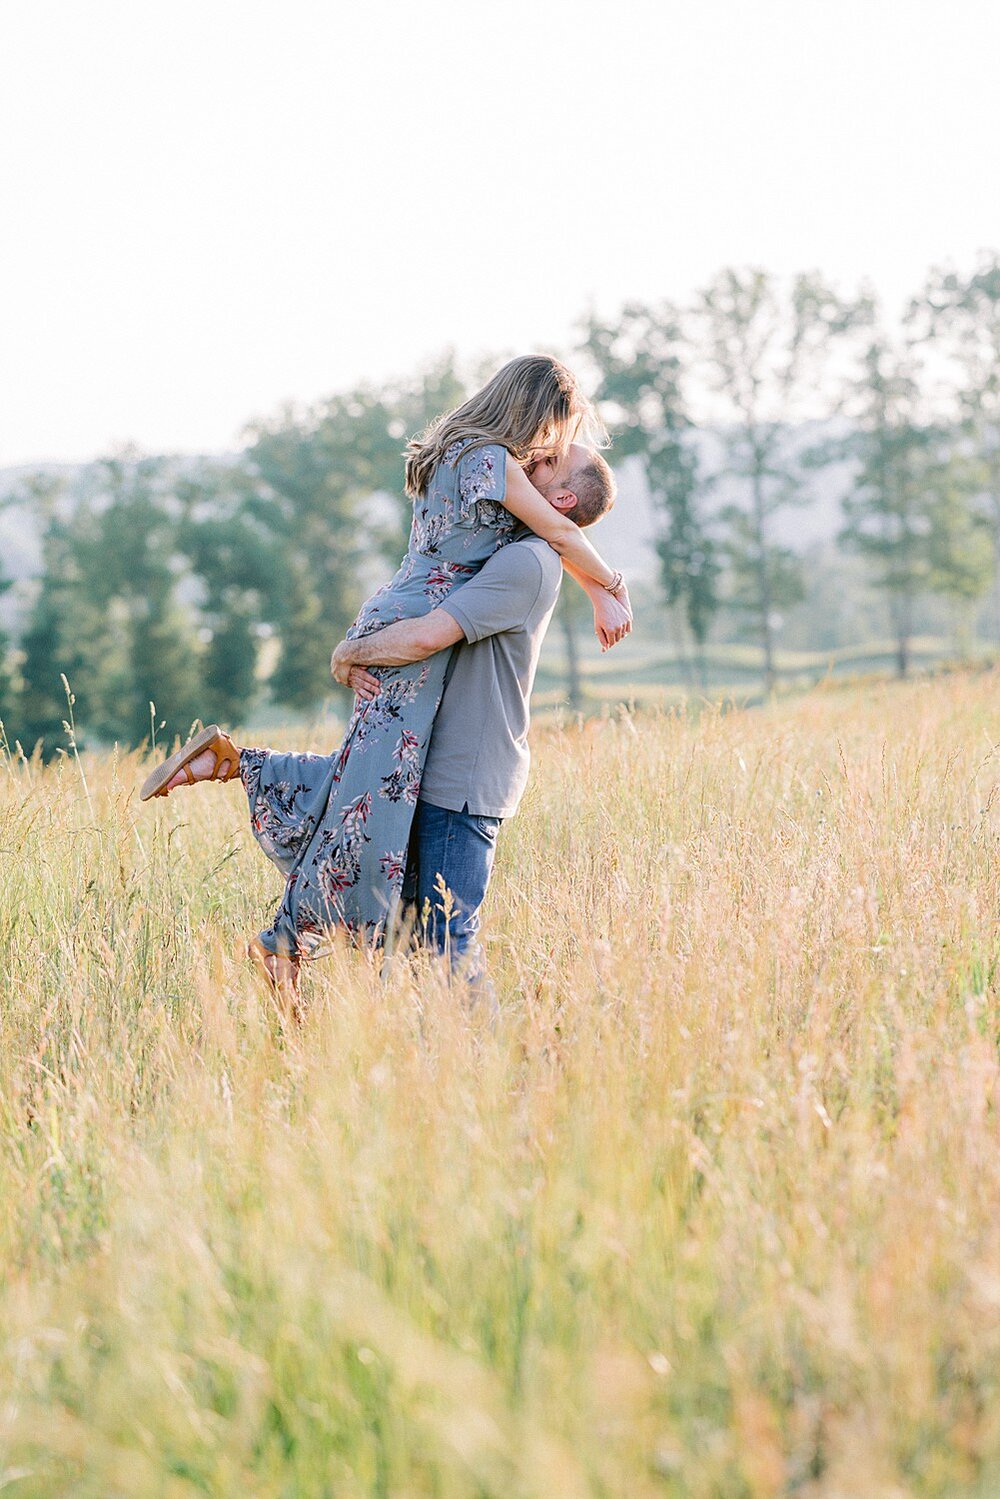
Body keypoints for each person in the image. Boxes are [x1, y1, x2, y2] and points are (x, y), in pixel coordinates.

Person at [140, 356, 631, 1011]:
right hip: (411, 633)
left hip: (397, 607)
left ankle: (238, 781)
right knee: (373, 805)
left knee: (365, 780)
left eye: (554, 457)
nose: (546, 452)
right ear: (536, 413)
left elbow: (551, 537)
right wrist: (613, 590)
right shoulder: (499, 469)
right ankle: (287, 936)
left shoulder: (455, 452)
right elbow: (559, 532)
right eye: (553, 437)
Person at [330, 442, 615, 1007]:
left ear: (558, 497)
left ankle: (489, 1063)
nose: (531, 458)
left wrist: (349, 651)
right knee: (414, 941)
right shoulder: (515, 547)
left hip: (465, 780)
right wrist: (602, 586)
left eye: (550, 460)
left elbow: (425, 636)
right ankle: (437, 1062)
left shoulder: (524, 562)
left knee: (447, 942)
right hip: (448, 772)